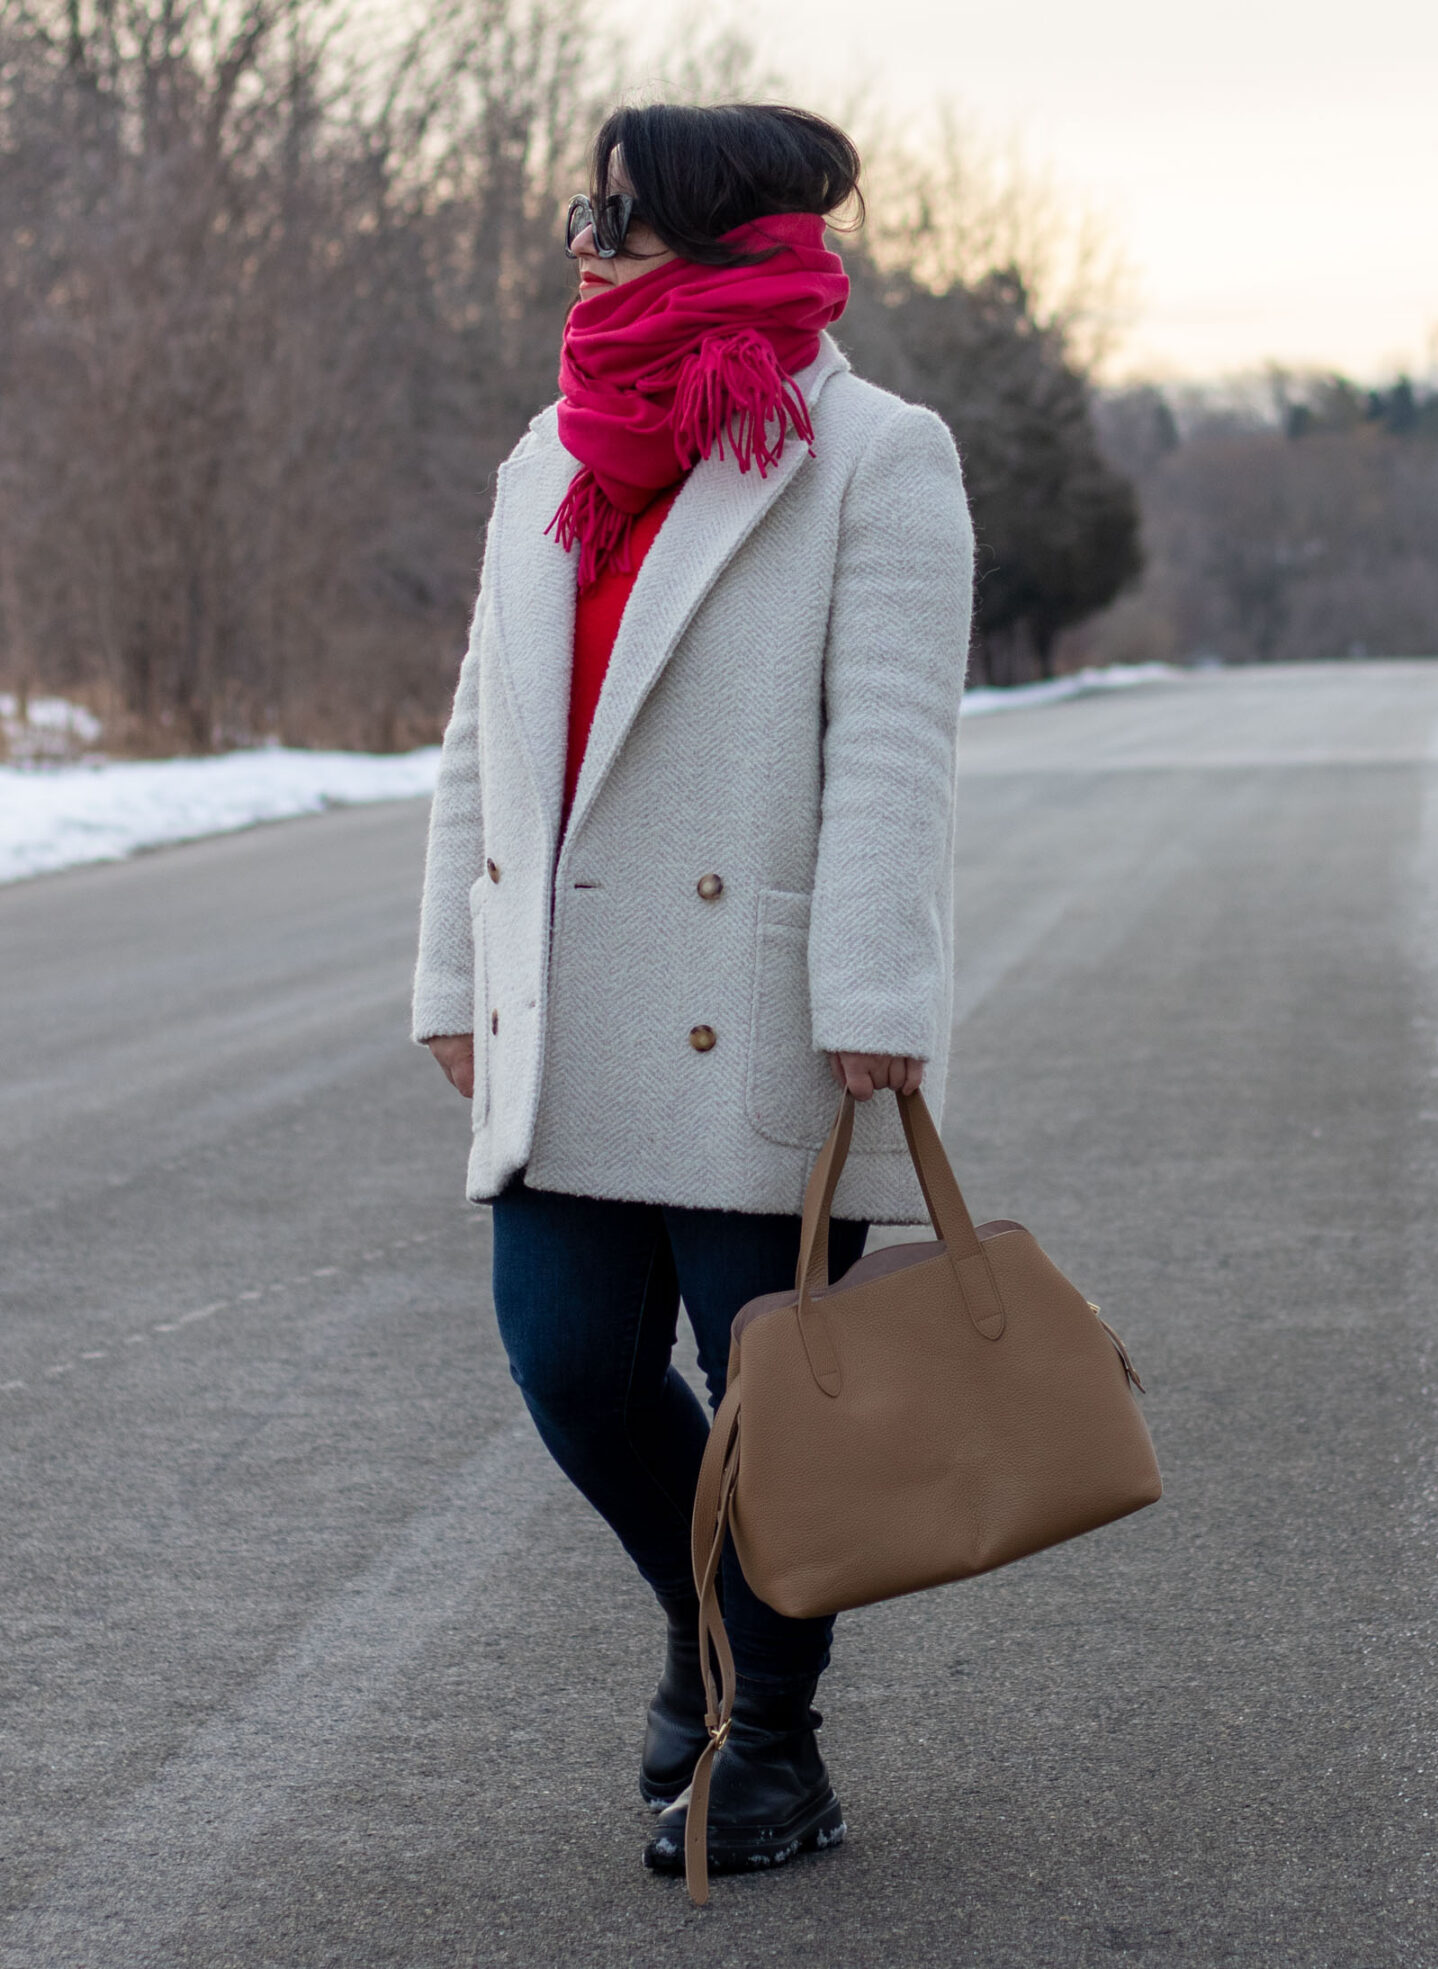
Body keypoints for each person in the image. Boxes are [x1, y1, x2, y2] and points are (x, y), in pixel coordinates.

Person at [411, 100, 975, 1882]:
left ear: (729, 237)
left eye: (624, 216)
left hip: (766, 1001)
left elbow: (892, 753)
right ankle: (711, 1630)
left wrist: (877, 988)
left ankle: (775, 1743)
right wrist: (452, 966)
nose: (585, 238)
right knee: (570, 1360)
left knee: (776, 1402)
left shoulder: (877, 455)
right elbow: (477, 742)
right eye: (587, 207)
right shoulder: (553, 445)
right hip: (567, 1004)